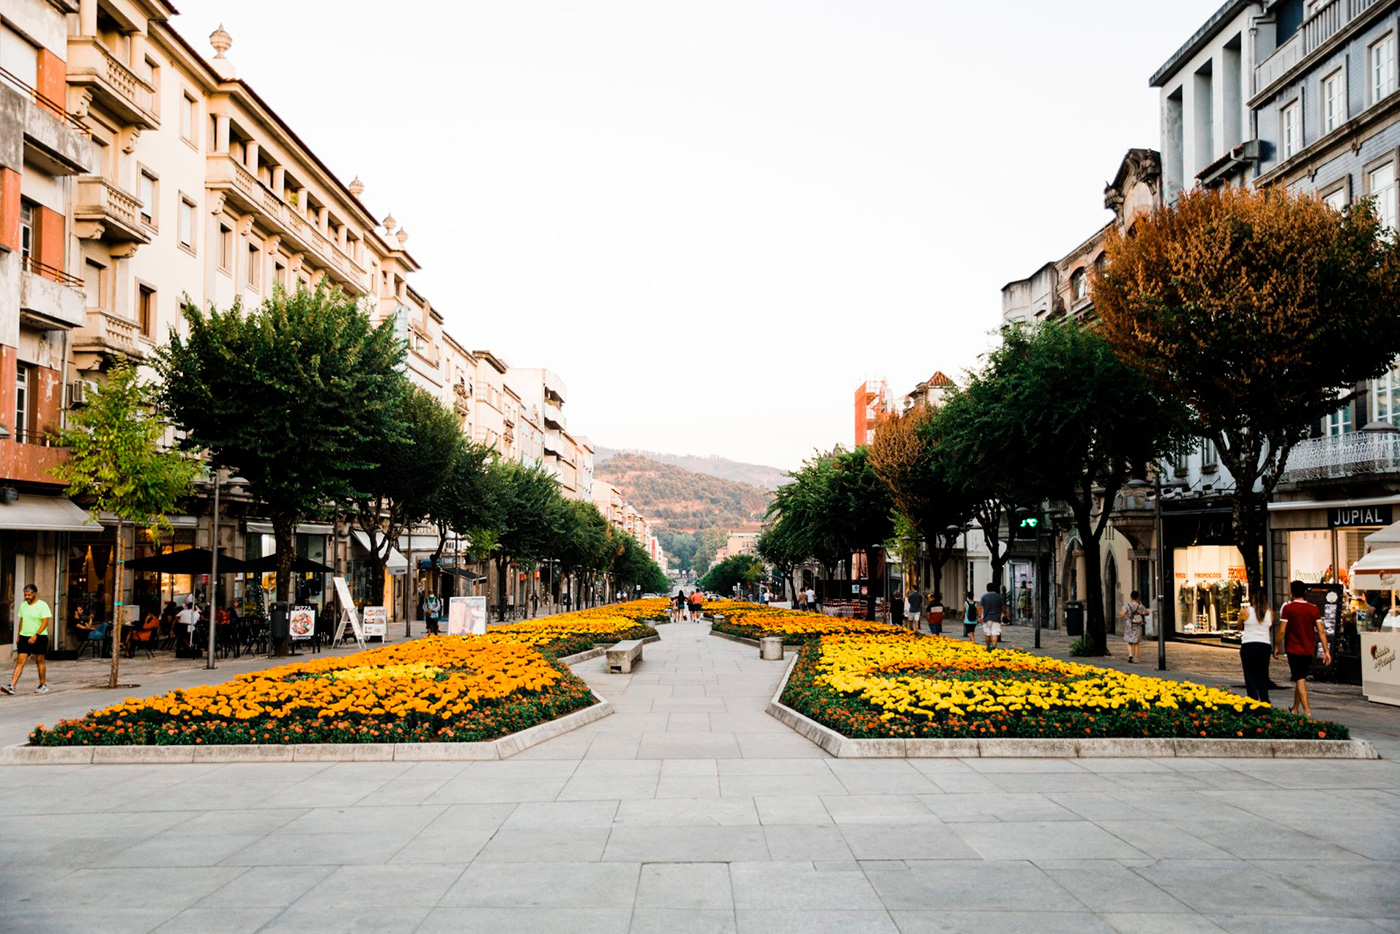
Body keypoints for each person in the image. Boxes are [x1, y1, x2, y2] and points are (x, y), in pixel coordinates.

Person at [1277, 580, 1329, 717]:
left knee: (1300, 679)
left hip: (1293, 649)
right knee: (1300, 678)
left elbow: (1282, 631)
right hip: (1307, 649)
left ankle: (1307, 712)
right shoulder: (1313, 609)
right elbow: (1321, 631)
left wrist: (1276, 646)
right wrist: (1326, 650)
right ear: (1305, 592)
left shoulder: (1288, 608)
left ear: (1292, 592)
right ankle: (1294, 708)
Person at [3, 585, 51, 695]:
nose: (27, 597)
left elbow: (45, 622)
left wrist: (36, 635)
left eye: (29, 595)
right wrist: (19, 635)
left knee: (39, 660)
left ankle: (42, 684)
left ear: (35, 593)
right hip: (24, 636)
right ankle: (12, 685)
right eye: (25, 595)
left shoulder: (42, 605)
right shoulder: (23, 606)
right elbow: (22, 621)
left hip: (40, 637)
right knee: (20, 661)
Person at [1237, 602, 1273, 704]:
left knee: (1250, 674)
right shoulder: (1270, 613)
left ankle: (1253, 700)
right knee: (1263, 674)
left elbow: (1239, 626)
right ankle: (1265, 700)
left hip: (1249, 644)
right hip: (1264, 645)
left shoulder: (1245, 611)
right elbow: (1269, 628)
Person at [1119, 590, 1149, 663]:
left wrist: (1124, 613)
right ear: (1138, 597)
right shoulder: (1140, 606)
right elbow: (1147, 613)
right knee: (1136, 642)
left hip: (1129, 624)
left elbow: (1122, 615)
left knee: (1129, 640)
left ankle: (1130, 654)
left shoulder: (1127, 605)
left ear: (1131, 597)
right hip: (1137, 625)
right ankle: (1136, 658)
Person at [978, 583, 1004, 649]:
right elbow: (1003, 607)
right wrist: (1005, 614)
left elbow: (980, 608)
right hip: (996, 617)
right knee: (995, 633)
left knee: (987, 633)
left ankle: (988, 647)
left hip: (986, 617)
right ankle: (994, 647)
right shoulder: (999, 597)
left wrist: (979, 616)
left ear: (987, 589)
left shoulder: (984, 597)